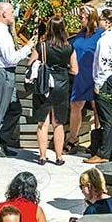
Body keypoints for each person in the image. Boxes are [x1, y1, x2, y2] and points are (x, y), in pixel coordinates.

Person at [0, 2, 31, 157]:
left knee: (15, 108)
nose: (13, 15)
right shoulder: (0, 33)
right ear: (3, 14)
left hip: (3, 72)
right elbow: (10, 59)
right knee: (3, 109)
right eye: (11, 12)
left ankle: (2, 140)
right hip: (3, 73)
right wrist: (27, 47)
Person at [33, 15, 77, 166]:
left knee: (42, 123)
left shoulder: (42, 46)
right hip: (61, 85)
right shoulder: (69, 47)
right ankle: (59, 157)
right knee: (58, 123)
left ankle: (42, 156)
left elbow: (31, 64)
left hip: (44, 86)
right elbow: (75, 70)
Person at [70, 5, 104, 158]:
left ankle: (96, 142)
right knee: (75, 105)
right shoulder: (80, 34)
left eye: (82, 18)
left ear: (91, 18)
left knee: (97, 107)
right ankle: (73, 139)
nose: (80, 20)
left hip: (94, 75)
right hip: (80, 75)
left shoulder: (100, 36)